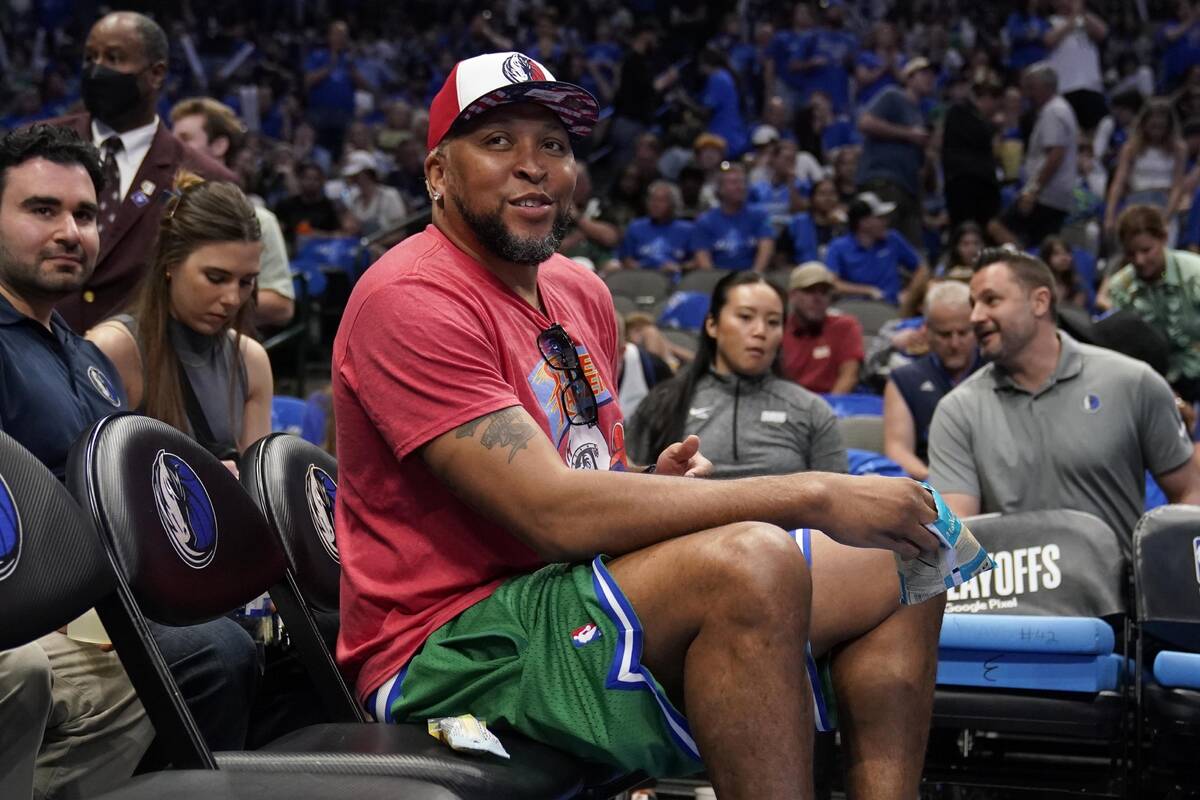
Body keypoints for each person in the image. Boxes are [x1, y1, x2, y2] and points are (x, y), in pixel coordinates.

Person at [334, 51, 958, 799]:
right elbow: (551, 512)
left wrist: (643, 490)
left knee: (919, 541)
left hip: (563, 587)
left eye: (554, 145)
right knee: (751, 561)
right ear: (438, 173)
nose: (533, 166)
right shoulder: (410, 297)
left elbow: (586, 482)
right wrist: (812, 494)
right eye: (498, 142)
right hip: (451, 642)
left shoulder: (577, 289)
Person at [0, 124, 154, 800]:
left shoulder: (89, 359)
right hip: (28, 612)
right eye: (42, 209)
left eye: (85, 215)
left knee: (189, 654)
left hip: (102, 604)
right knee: (197, 655)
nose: (71, 231)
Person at [929, 248, 1200, 542]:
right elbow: (959, 532)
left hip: (1119, 585)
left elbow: (1189, 490)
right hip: (1013, 587)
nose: (976, 316)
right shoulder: (956, 410)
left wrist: (1166, 570)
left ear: (1040, 301)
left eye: (991, 300)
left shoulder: (1133, 382)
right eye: (973, 304)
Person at [41, 11, 236, 332]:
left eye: (113, 58)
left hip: (143, 366)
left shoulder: (207, 180)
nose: (96, 69)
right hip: (31, 357)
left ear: (156, 73)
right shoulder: (34, 148)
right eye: (90, 57)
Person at [87, 176, 273, 464]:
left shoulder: (251, 361)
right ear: (171, 262)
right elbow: (96, 481)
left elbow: (259, 488)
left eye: (246, 282)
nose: (233, 299)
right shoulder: (115, 349)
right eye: (216, 278)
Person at [628, 271, 847, 478]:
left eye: (773, 322)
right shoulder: (664, 401)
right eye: (745, 317)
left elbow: (836, 504)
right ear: (712, 325)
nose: (760, 331)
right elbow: (628, 485)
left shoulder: (811, 411)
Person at [169, 97, 296, 328]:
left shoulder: (259, 220)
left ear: (219, 146)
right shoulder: (165, 213)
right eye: (172, 139)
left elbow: (281, 305)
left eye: (185, 139)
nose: (172, 148)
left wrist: (198, 299)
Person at [883, 281, 980, 481]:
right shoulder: (904, 380)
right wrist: (939, 484)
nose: (955, 343)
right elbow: (898, 450)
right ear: (927, 332)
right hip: (932, 488)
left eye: (963, 333)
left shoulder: (999, 372)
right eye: (945, 334)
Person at [1109, 205, 1200, 402]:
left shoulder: (1195, 273)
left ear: (1164, 239)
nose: (1139, 260)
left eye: (1146, 250)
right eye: (1131, 254)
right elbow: (1130, 349)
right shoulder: (1121, 287)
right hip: (1155, 381)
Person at [856, 57, 936, 247]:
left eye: (932, 75)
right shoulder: (893, 96)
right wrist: (908, 134)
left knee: (911, 251)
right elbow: (865, 122)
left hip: (908, 190)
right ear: (908, 78)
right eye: (923, 73)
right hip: (884, 181)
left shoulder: (920, 115)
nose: (930, 78)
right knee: (882, 245)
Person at [1002, 62, 1079, 248]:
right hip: (1052, 193)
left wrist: (1032, 191)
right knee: (1041, 242)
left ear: (1046, 87)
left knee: (999, 227)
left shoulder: (1054, 111)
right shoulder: (1058, 109)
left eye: (1032, 87)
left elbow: (1055, 155)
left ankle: (1023, 264)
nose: (1028, 93)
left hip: (1046, 194)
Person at [1103, 99, 1188, 236]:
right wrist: (1109, 216)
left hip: (1164, 203)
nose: (1157, 123)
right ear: (1144, 122)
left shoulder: (1179, 149)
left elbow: (1178, 186)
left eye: (1161, 120)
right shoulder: (1130, 148)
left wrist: (1167, 216)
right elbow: (1118, 183)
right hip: (1136, 202)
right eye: (1153, 119)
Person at [780, 261, 865, 395]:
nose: (818, 298)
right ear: (793, 295)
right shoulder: (778, 329)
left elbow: (848, 377)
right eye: (809, 291)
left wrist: (826, 412)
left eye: (824, 292)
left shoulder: (845, 326)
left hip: (833, 407)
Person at [826, 192, 927, 305]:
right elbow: (832, 283)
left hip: (893, 308)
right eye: (880, 218)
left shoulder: (893, 239)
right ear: (863, 222)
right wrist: (867, 290)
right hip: (858, 310)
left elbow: (921, 269)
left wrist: (909, 294)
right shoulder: (838, 247)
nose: (886, 221)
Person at [941, 75, 1003, 233]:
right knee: (966, 233)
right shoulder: (960, 112)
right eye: (995, 104)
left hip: (982, 189)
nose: (995, 110)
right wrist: (993, 127)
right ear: (987, 98)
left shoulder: (976, 118)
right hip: (966, 188)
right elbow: (981, 135)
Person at [691, 164, 776, 272]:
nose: (739, 186)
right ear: (720, 189)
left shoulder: (759, 215)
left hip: (751, 276)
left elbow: (766, 248)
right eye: (733, 183)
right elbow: (702, 257)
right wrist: (715, 282)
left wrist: (755, 275)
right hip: (717, 278)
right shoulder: (705, 220)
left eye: (742, 182)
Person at [303, 20, 369, 153]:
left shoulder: (351, 59)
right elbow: (307, 82)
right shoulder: (318, 56)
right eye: (337, 34)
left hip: (345, 114)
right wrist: (330, 66)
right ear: (329, 36)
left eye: (344, 35)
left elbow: (365, 86)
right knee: (320, 150)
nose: (341, 38)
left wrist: (353, 71)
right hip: (320, 113)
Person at [1044, 0, 1108, 132]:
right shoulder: (1050, 21)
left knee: (1096, 132)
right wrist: (1074, 15)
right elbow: (1049, 40)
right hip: (1064, 88)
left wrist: (1081, 13)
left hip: (1091, 86)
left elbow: (1102, 33)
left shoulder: (1085, 19)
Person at [618, 180, 694, 273]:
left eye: (661, 201)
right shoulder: (635, 227)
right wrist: (642, 269)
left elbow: (696, 261)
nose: (655, 205)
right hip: (642, 278)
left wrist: (679, 267)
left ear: (673, 204)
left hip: (676, 279)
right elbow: (626, 259)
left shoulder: (688, 230)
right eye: (652, 199)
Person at [273, 161, 343, 249]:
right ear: (300, 180)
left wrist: (319, 235)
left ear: (322, 182)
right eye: (307, 178)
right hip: (290, 250)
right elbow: (276, 230)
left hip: (322, 250)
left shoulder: (329, 206)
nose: (311, 182)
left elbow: (340, 234)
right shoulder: (286, 204)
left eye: (315, 179)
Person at [340, 150, 407, 238]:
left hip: (388, 248)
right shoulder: (354, 199)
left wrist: (374, 244)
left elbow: (401, 232)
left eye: (357, 175)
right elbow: (349, 228)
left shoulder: (389, 195)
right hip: (362, 249)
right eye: (352, 177)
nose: (354, 180)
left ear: (368, 173)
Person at [785, 177, 846, 265]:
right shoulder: (797, 223)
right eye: (822, 194)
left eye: (832, 193)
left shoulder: (844, 226)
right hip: (801, 273)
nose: (828, 198)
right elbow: (781, 258)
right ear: (812, 198)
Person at [1038, 235, 1091, 309]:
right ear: (1046, 257)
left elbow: (1076, 314)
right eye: (1056, 253)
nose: (1064, 258)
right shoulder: (1037, 285)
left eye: (1067, 253)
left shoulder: (1077, 285)